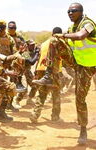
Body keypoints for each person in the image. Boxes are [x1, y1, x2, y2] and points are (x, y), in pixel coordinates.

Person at [33, 2, 96, 145]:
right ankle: (49, 75)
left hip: (92, 64)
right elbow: (67, 45)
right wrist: (60, 41)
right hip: (78, 64)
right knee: (54, 41)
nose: (70, 13)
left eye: (73, 11)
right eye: (68, 11)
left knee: (80, 98)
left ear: (81, 11)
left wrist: (63, 35)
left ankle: (83, 129)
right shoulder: (70, 28)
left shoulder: (88, 23)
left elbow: (81, 36)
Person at [30, 27, 69, 124]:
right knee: (56, 94)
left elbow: (39, 58)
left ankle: (35, 114)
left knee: (42, 93)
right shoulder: (58, 42)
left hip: (41, 70)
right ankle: (55, 117)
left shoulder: (44, 43)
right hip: (53, 71)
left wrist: (36, 72)